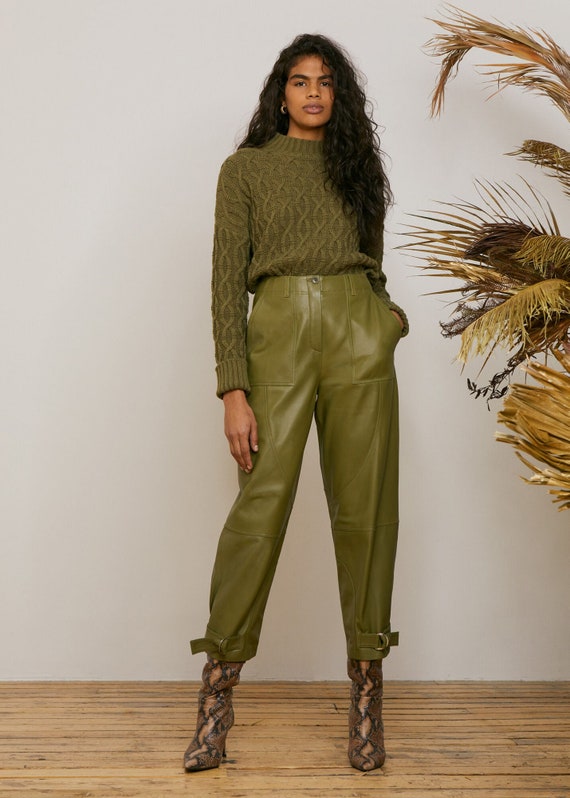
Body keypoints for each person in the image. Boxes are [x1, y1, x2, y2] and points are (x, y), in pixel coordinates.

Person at [184, 32, 408, 774]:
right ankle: (216, 698)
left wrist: (384, 322)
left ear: (339, 94)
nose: (313, 92)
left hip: (356, 335)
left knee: (366, 511)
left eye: (325, 81)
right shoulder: (244, 170)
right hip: (276, 336)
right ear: (280, 93)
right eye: (300, 80)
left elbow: (372, 261)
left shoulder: (358, 166)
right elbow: (226, 282)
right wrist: (233, 387)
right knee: (259, 510)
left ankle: (367, 697)